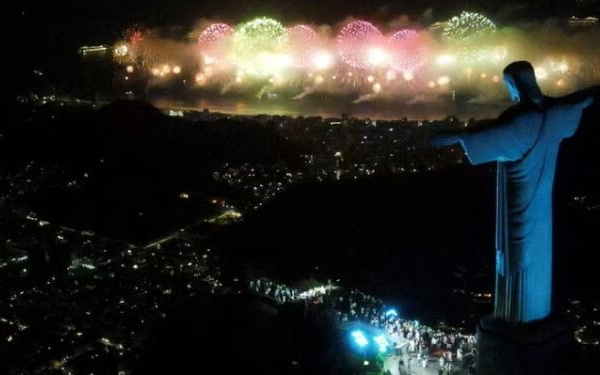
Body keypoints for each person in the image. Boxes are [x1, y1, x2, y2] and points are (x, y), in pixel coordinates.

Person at [430, 61, 596, 323]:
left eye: (508, 85)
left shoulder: (521, 118)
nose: (509, 91)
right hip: (542, 200)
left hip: (518, 196)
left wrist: (459, 136)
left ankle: (518, 317)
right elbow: (578, 100)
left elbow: (495, 135)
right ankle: (535, 310)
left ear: (516, 84)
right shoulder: (555, 110)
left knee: (516, 251)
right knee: (538, 250)